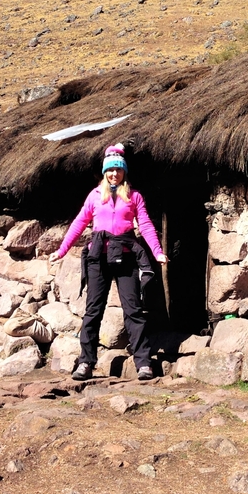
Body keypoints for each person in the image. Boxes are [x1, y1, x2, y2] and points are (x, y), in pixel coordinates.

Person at [50, 143, 167, 381]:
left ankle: (143, 363)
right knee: (93, 311)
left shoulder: (134, 197)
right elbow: (79, 223)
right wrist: (61, 250)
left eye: (119, 170)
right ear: (105, 172)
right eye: (111, 170)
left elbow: (144, 225)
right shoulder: (94, 197)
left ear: (124, 172)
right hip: (98, 258)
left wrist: (157, 251)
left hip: (125, 256)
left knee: (133, 309)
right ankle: (86, 363)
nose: (115, 174)